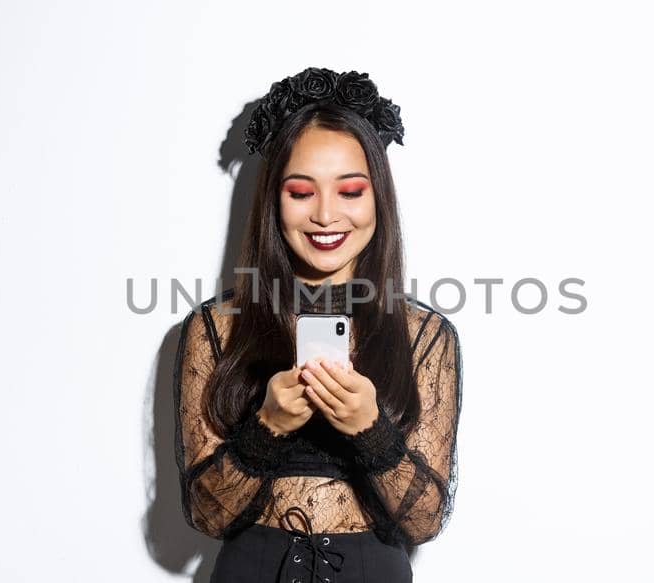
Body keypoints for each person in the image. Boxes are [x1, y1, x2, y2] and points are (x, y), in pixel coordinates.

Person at [173, 67, 462, 583]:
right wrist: (268, 428)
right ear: (273, 202)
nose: (327, 216)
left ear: (378, 200)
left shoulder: (423, 335)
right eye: (301, 192)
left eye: (350, 191)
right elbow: (206, 515)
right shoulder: (215, 327)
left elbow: (423, 520)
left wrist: (370, 431)